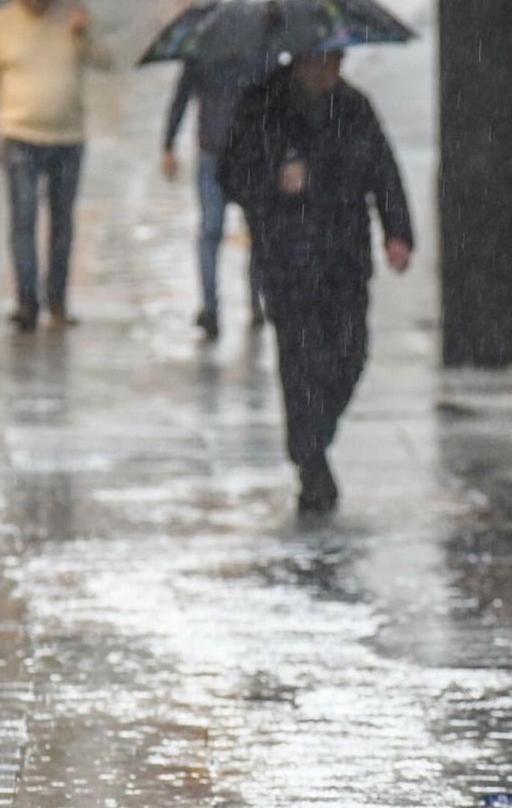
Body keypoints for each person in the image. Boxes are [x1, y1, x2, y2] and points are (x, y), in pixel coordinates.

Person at [218, 49, 413, 514]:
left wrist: (398, 231)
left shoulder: (354, 106)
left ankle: (311, 440)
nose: (330, 69)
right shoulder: (262, 106)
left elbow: (383, 169)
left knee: (351, 351)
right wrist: (274, 180)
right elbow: (230, 175)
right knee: (301, 361)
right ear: (301, 61)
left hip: (344, 255)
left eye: (336, 60)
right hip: (288, 259)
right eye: (321, 60)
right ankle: (311, 464)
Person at [0, 0, 113, 331]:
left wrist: (83, 33)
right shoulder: (1, 23)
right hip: (19, 136)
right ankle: (26, 301)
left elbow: (106, 61)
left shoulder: (72, 16)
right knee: (24, 219)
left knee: (63, 222)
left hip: (68, 138)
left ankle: (58, 299)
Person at [161, 56, 267, 339]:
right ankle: (234, 303)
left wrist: (169, 144)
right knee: (241, 231)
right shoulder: (258, 49)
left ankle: (217, 306)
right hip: (235, 155)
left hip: (231, 154)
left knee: (216, 232)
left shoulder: (205, 49)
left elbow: (181, 98)